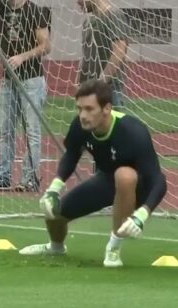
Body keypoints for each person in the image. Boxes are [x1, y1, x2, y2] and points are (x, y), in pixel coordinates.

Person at [19, 79, 168, 267]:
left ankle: (113, 248)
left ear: (107, 108)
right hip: (106, 181)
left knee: (124, 175)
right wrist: (53, 189)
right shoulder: (80, 126)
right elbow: (71, 156)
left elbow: (158, 181)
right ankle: (55, 246)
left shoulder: (133, 131)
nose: (83, 115)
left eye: (89, 109)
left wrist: (142, 215)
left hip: (138, 188)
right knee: (55, 213)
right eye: (80, 108)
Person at [0, 0, 51, 192]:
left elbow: (46, 46)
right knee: (5, 130)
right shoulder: (0, 9)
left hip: (32, 79)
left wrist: (22, 56)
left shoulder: (36, 11)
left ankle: (30, 178)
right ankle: (3, 176)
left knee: (32, 131)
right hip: (8, 80)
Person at [74, 0, 133, 108]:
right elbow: (87, 57)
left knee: (114, 128)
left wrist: (102, 81)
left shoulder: (114, 15)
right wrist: (80, 84)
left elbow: (119, 51)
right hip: (91, 88)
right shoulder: (88, 22)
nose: (77, 0)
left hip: (110, 89)